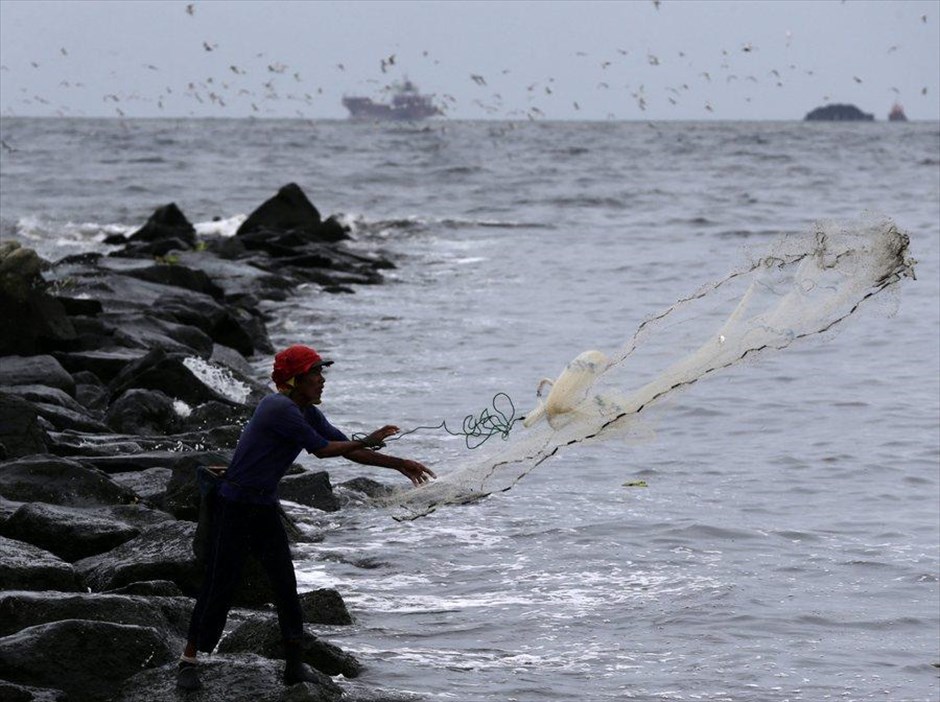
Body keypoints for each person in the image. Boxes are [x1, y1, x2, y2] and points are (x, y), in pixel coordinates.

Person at [177, 344, 435, 691]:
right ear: (295, 379)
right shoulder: (278, 407)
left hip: (264, 506)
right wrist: (371, 439)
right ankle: (188, 661)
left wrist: (400, 464)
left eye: (321, 373)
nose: (321, 380)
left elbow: (348, 448)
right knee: (219, 584)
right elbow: (323, 450)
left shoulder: (304, 410)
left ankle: (294, 666)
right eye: (315, 373)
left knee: (285, 584)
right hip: (234, 505)